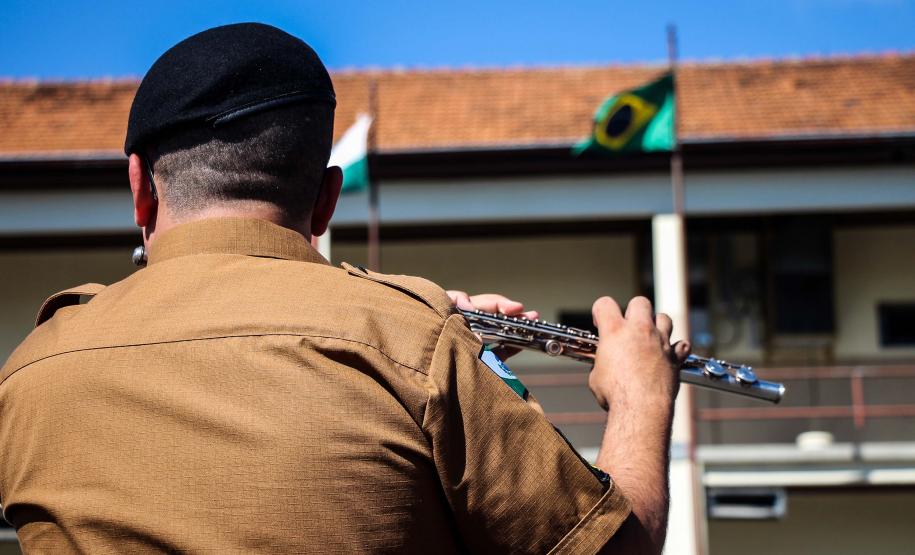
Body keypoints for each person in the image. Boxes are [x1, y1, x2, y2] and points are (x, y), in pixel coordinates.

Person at [0, 23, 688, 554]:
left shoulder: (30, 371)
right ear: (326, 199)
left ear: (139, 189)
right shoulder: (417, 345)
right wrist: (638, 397)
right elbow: (613, 546)